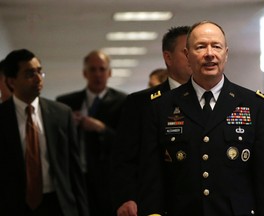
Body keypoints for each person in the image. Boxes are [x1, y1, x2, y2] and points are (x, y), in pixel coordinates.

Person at [147, 20, 264, 215]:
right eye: (200, 47)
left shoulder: (253, 104)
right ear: (187, 55)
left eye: (216, 46)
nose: (209, 54)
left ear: (225, 54)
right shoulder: (163, 106)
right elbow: (152, 178)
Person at [110, 26, 192, 216]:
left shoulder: (212, 100)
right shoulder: (141, 103)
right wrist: (126, 197)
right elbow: (124, 159)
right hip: (157, 204)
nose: (194, 56)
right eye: (186, 51)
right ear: (168, 58)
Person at [0, 49, 89, 216]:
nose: (38, 78)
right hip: (13, 206)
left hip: (57, 204)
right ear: (11, 82)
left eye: (40, 71)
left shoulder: (62, 114)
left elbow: (74, 169)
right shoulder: (2, 117)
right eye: (29, 74)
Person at [56, 50, 127, 216]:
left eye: (102, 69)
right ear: (84, 73)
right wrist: (67, 124)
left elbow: (126, 143)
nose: (97, 74)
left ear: (109, 73)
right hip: (76, 177)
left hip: (108, 179)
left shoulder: (123, 102)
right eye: (93, 69)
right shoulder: (66, 103)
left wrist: (101, 128)